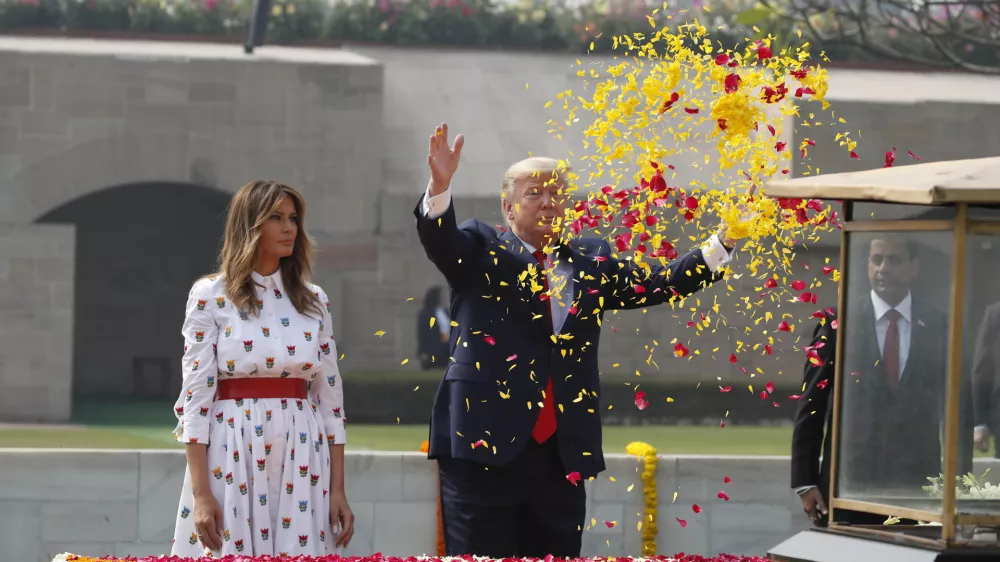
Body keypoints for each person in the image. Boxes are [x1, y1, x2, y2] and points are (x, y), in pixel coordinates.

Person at [414, 123, 746, 557]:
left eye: (557, 194)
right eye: (534, 193)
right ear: (509, 207)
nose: (548, 202)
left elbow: (663, 282)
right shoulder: (481, 249)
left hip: (560, 453)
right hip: (484, 444)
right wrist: (440, 186)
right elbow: (441, 239)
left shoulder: (592, 261)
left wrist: (726, 239)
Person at [170, 181, 355, 557]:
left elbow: (331, 403)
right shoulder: (211, 296)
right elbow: (196, 399)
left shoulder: (314, 301)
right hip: (231, 444)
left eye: (293, 218)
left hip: (302, 448)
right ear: (250, 225)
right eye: (276, 218)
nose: (290, 228)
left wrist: (338, 489)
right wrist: (201, 493)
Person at [791, 234, 966, 527]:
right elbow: (812, 404)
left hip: (917, 487)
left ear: (914, 267)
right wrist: (805, 482)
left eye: (894, 260)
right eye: (876, 259)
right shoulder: (836, 324)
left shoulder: (941, 324)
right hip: (849, 485)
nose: (883, 268)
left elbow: (957, 411)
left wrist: (960, 485)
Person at [417, 285, 450, 370]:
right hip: (433, 350)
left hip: (447, 348)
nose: (444, 298)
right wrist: (423, 351)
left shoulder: (446, 312)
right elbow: (422, 334)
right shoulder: (425, 314)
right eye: (442, 296)